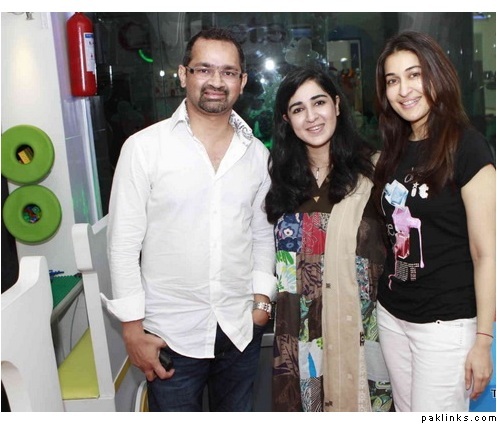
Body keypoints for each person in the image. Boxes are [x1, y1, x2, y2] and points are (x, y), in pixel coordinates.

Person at [102, 27, 276, 412]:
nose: (216, 81)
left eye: (228, 72)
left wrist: (262, 302)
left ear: (243, 81)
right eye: (204, 69)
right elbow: (123, 245)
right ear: (183, 74)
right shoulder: (144, 149)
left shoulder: (256, 155)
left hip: (239, 330)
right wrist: (132, 330)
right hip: (169, 337)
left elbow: (262, 235)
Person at [373, 30, 496, 412]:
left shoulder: (467, 146)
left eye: (414, 75)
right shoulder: (394, 148)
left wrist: (483, 339)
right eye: (392, 80)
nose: (404, 90)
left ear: (436, 76)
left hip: (445, 324)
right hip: (393, 315)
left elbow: (487, 253)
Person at [265, 66, 393, 412]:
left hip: (362, 334)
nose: (311, 116)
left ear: (337, 104)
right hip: (298, 337)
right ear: (286, 120)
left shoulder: (375, 172)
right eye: (298, 108)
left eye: (319, 102)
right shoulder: (279, 179)